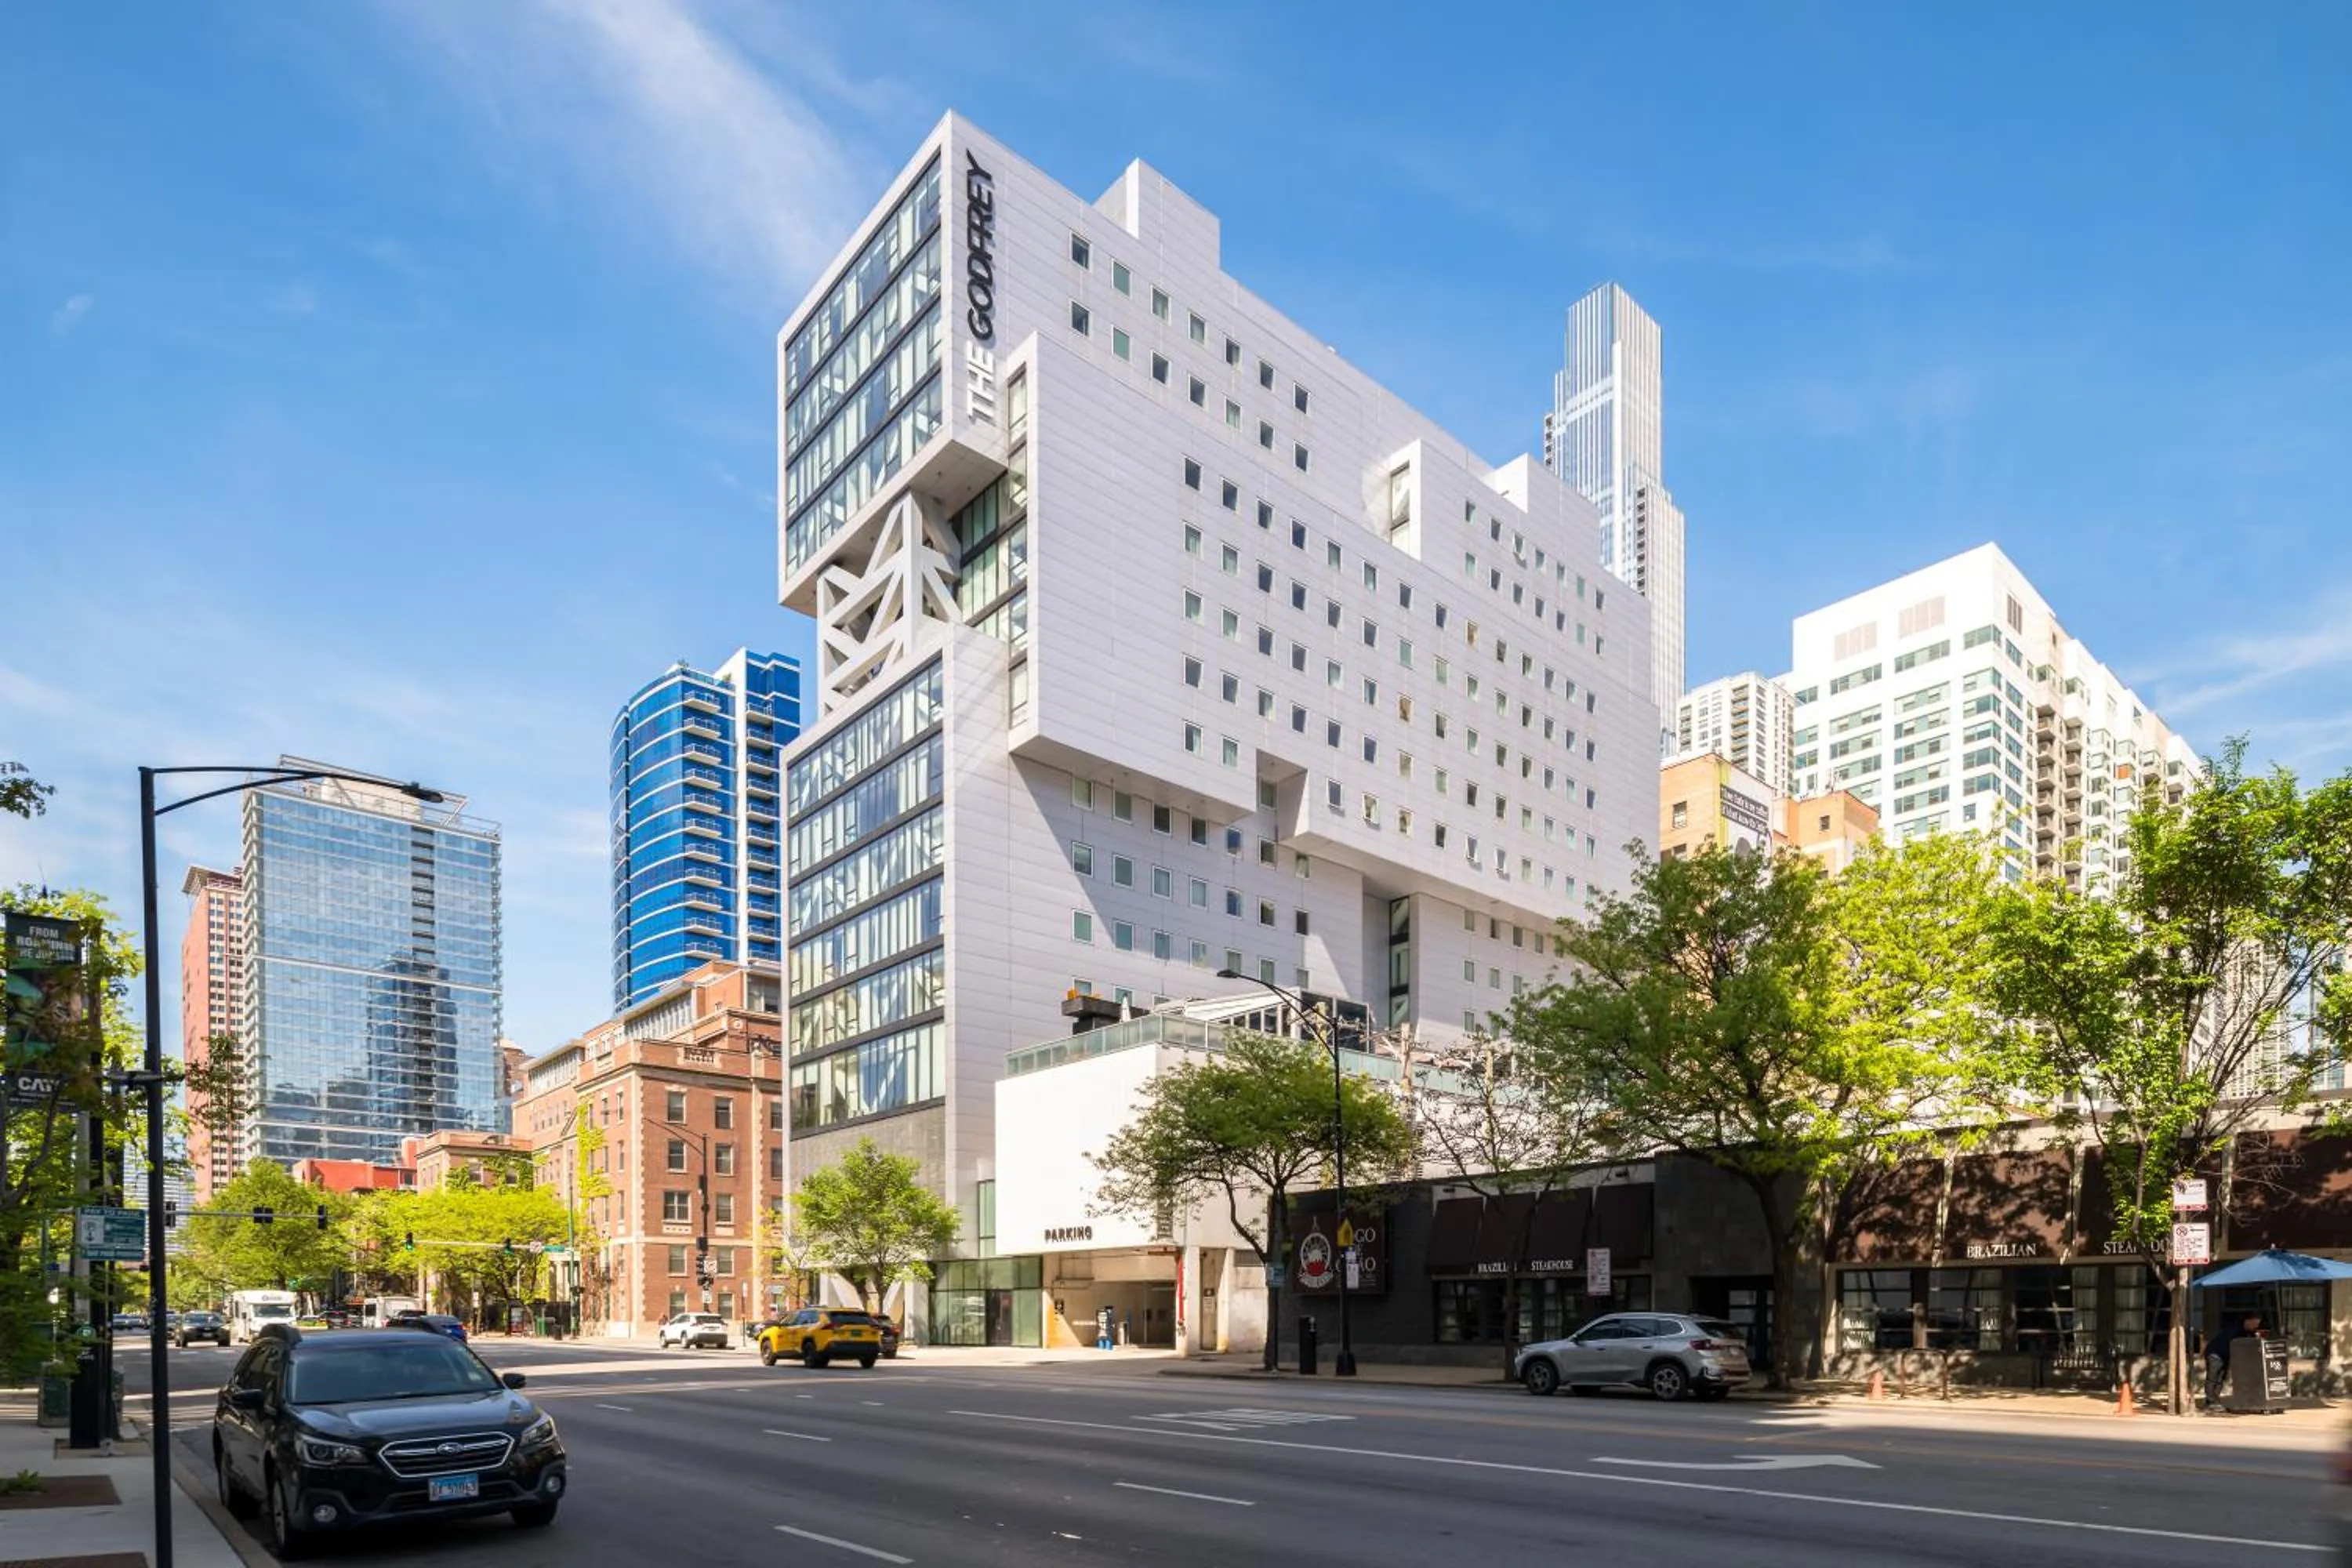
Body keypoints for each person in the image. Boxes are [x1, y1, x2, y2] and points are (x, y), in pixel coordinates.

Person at [2205, 1311, 2264, 1406]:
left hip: (2225, 1355)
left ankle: (2215, 1400)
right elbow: (2235, 1344)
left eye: (2257, 1324)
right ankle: (2209, 1401)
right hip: (2215, 1353)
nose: (2256, 1326)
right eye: (2254, 1324)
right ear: (2248, 1321)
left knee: (2220, 1379)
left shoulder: (2247, 1331)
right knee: (2213, 1378)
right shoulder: (2235, 1329)